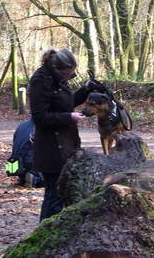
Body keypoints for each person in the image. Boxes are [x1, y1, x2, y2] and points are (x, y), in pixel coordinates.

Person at [29, 48, 99, 221]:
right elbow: (39, 117)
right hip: (51, 147)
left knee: (63, 192)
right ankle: (45, 234)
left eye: (72, 74)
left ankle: (54, 232)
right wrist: (69, 117)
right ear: (57, 67)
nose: (69, 78)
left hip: (67, 143)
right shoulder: (40, 81)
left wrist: (85, 90)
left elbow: (66, 103)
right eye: (68, 74)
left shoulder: (58, 79)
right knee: (54, 195)